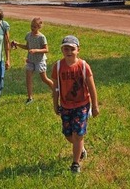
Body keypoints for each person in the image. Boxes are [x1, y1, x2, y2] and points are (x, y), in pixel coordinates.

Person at [52, 35, 99, 173]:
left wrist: (95, 106)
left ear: (78, 49)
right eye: (66, 48)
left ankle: (75, 163)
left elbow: (91, 87)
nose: (69, 51)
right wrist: (55, 103)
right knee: (68, 135)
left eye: (72, 49)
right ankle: (81, 148)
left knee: (78, 134)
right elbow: (55, 88)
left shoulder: (83, 66)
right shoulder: (58, 66)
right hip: (65, 106)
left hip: (82, 105)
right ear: (62, 50)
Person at [11, 17, 54, 103]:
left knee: (44, 78)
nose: (32, 28)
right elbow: (27, 47)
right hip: (30, 60)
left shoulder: (42, 37)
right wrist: (18, 44)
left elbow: (46, 50)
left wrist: (36, 50)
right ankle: (30, 97)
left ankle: (56, 90)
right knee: (28, 78)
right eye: (31, 26)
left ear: (39, 27)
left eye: (34, 27)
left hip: (40, 60)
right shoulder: (28, 35)